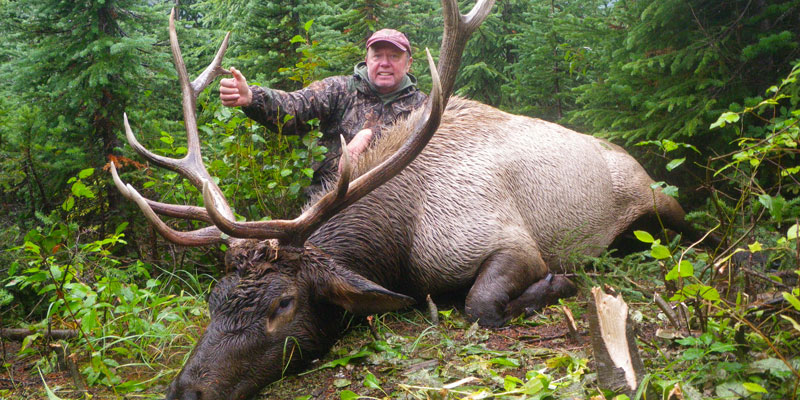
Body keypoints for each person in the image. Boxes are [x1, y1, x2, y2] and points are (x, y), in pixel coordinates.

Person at [219, 29, 428, 194]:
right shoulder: (338, 89)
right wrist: (253, 98)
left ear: (408, 63)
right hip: (327, 202)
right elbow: (295, 106)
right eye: (377, 55)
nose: (384, 63)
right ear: (367, 60)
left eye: (394, 56)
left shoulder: (425, 108)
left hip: (395, 207)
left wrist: (372, 135)